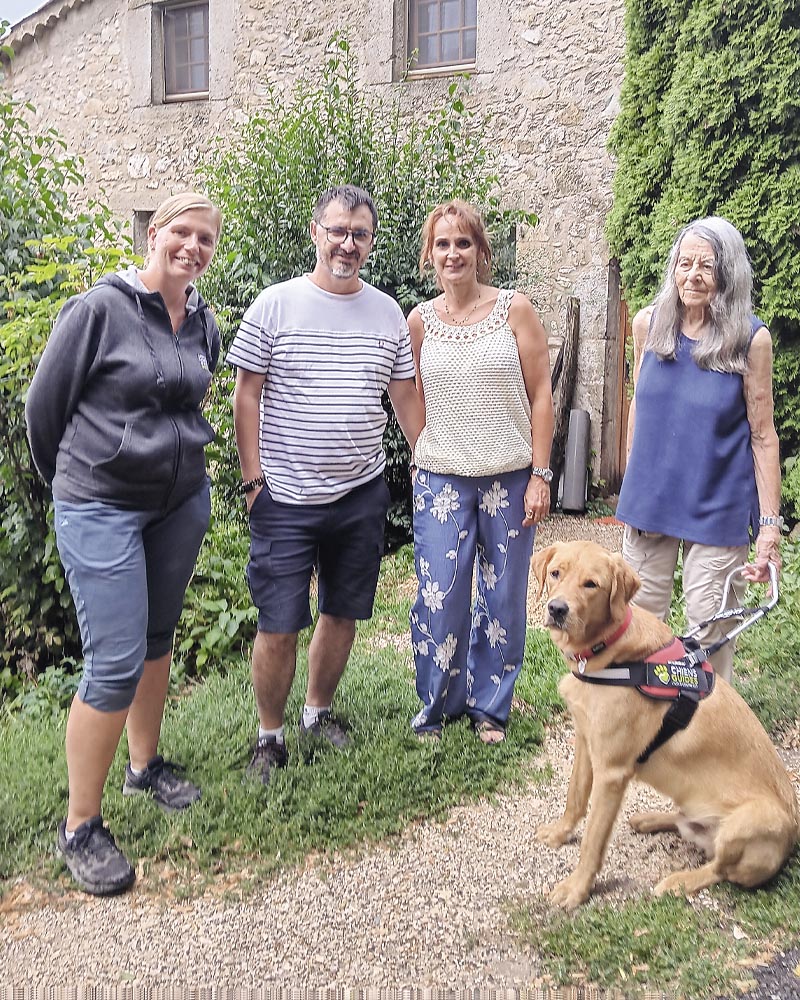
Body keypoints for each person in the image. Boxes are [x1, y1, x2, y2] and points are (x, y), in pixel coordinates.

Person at [25, 191, 223, 895]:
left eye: (204, 238)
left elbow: (193, 400)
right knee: (112, 662)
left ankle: (145, 768)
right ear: (152, 233)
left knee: (156, 639)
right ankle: (81, 824)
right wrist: (79, 486)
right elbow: (42, 411)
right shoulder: (98, 310)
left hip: (178, 504)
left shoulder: (203, 322)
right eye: (180, 232)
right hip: (100, 505)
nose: (191, 247)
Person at [227, 184, 425, 785]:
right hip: (283, 495)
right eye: (337, 231)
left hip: (359, 493)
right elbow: (247, 394)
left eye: (359, 234)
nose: (347, 243)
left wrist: (430, 460)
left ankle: (317, 713)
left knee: (342, 612)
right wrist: (253, 478)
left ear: (370, 242)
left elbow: (404, 395)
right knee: (278, 623)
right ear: (315, 233)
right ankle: (270, 734)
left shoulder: (387, 312)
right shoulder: (276, 305)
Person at [408, 200, 554, 743]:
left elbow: (542, 394)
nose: (453, 253)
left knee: (503, 595)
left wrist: (541, 474)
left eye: (463, 243)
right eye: (443, 244)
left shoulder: (514, 309)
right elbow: (413, 398)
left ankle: (490, 707)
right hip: (441, 479)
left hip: (510, 479)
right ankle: (435, 706)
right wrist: (425, 449)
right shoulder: (418, 322)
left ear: (481, 251)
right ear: (430, 254)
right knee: (439, 594)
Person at [616, 216, 782, 682]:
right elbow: (639, 406)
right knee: (637, 626)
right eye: (684, 264)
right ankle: (642, 721)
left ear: (727, 275)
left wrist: (768, 527)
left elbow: (763, 434)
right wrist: (632, 485)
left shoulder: (751, 340)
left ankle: (709, 730)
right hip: (652, 500)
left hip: (716, 504)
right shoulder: (648, 324)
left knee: (708, 633)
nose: (692, 275)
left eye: (705, 267)